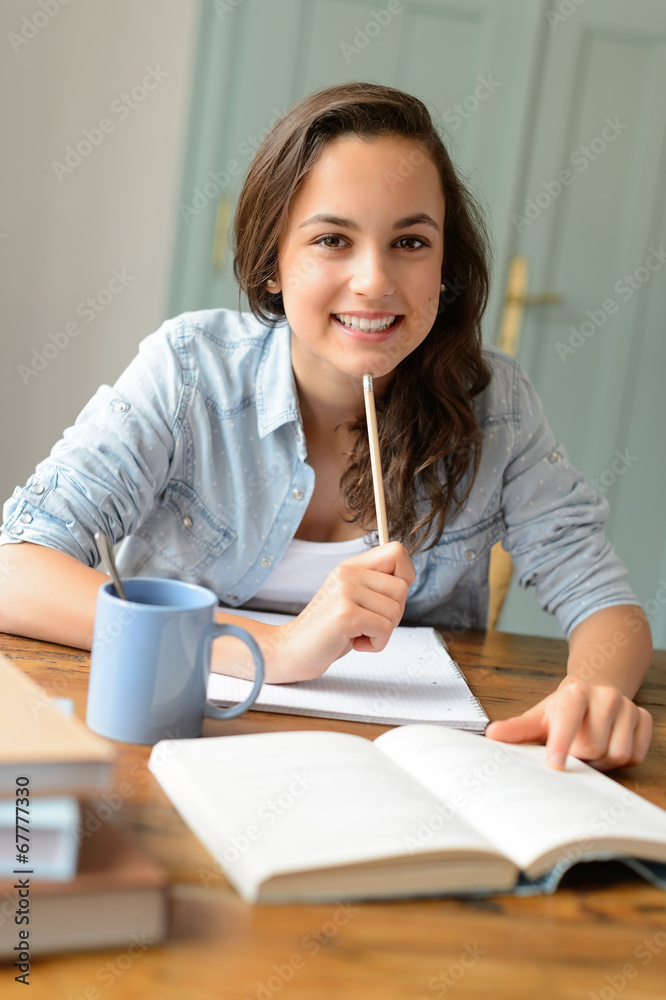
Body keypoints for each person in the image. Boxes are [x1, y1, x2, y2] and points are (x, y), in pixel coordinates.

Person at [0, 82, 652, 771]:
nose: (373, 281)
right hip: (170, 743)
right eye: (332, 240)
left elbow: (607, 605)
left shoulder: (497, 404)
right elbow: (15, 571)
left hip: (396, 770)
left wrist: (595, 692)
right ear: (273, 262)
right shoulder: (189, 371)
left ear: (445, 267)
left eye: (410, 241)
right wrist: (275, 648)